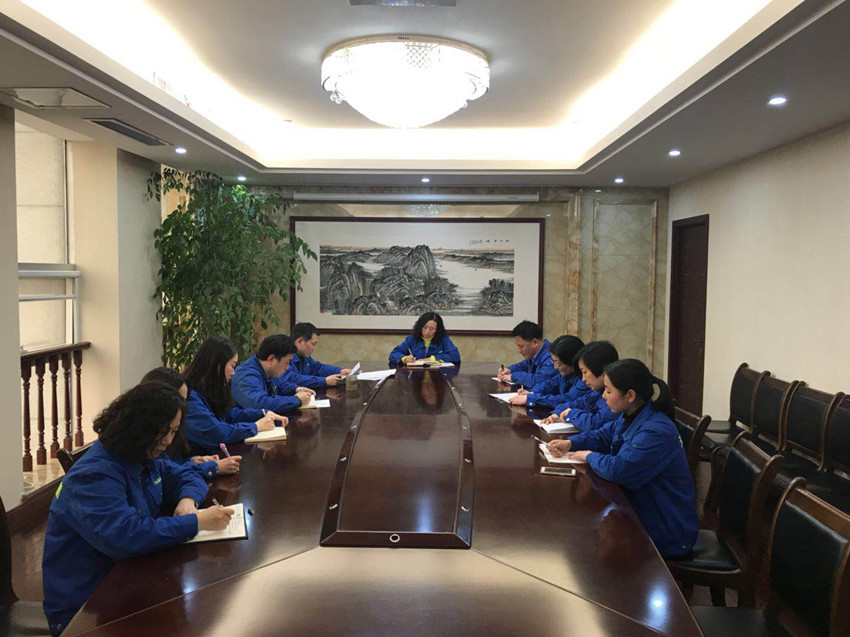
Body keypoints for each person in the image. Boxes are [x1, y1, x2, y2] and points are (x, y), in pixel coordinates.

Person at [41, 382, 234, 635]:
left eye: (174, 431)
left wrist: (188, 500)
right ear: (138, 426)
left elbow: (186, 475)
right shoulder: (93, 475)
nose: (168, 440)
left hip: (127, 578)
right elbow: (125, 536)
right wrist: (196, 522)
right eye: (163, 431)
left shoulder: (144, 455)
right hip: (85, 608)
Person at [546, 359, 698, 558]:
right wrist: (571, 443)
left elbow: (619, 470)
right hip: (641, 509)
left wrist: (589, 456)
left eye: (609, 391)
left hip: (665, 528)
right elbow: (602, 435)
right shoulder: (631, 415)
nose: (603, 396)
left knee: (591, 546)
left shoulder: (655, 431)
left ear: (630, 395)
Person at [183, 336, 286, 454]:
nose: (233, 373)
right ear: (217, 365)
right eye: (232, 366)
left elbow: (229, 414)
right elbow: (216, 433)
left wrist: (263, 413)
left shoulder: (210, 388)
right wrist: (256, 426)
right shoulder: (189, 395)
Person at [141, 367, 242, 479]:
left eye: (184, 401)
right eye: (177, 400)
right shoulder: (150, 436)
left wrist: (192, 461)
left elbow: (173, 465)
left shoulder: (175, 428)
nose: (182, 408)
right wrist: (214, 468)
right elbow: (168, 475)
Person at [542, 341, 620, 431]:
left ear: (601, 370)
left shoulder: (617, 396)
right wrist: (557, 413)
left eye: (585, 372)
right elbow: (576, 403)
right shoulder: (596, 392)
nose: (583, 379)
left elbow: (595, 423)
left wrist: (571, 413)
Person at [232, 334, 316, 414]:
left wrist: (296, 389)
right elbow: (261, 404)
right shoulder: (246, 375)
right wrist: (296, 399)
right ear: (271, 359)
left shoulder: (268, 370)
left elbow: (279, 385)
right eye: (286, 363)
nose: (287, 368)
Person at [508, 335, 588, 408]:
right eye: (553, 362)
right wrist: (532, 392)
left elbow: (566, 399)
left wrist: (531, 399)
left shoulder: (585, 379)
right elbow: (549, 384)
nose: (555, 367)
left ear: (572, 361)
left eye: (559, 364)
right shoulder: (565, 374)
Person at [275, 322, 352, 389]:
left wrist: (340, 371)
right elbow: (292, 379)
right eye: (313, 344)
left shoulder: (304, 356)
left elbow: (318, 368)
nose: (313, 348)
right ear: (300, 341)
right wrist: (324, 381)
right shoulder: (285, 356)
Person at [497, 320, 557, 387]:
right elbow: (524, 365)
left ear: (535, 342)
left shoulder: (552, 355)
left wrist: (513, 377)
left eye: (521, 346)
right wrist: (509, 370)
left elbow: (541, 380)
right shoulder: (535, 354)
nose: (519, 350)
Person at [389, 312, 461, 365]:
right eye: (425, 327)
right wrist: (405, 359)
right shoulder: (412, 339)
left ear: (437, 329)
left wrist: (431, 359)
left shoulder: (443, 339)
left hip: (437, 376)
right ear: (420, 327)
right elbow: (394, 354)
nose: (427, 332)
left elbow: (455, 356)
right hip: (416, 376)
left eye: (431, 329)